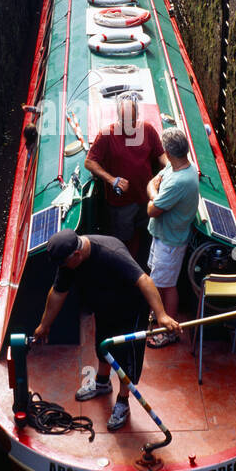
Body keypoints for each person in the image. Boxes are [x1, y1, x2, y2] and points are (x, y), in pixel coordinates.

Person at [32, 229, 180, 431]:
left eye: (64, 264)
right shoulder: (68, 261)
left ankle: (122, 401)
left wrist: (161, 315)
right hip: (104, 306)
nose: (63, 269)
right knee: (102, 344)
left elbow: (145, 280)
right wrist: (44, 325)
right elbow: (58, 292)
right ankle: (102, 383)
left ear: (76, 255)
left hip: (130, 309)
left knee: (126, 358)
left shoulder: (110, 252)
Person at [84, 93, 166, 256]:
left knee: (147, 230)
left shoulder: (148, 130)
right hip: (121, 203)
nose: (129, 126)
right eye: (124, 121)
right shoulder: (106, 134)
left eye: (132, 121)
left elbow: (161, 155)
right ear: (118, 117)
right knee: (123, 238)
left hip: (146, 197)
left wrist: (172, 167)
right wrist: (112, 180)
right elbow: (89, 162)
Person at [145, 128, 200, 347]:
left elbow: (151, 208)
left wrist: (154, 195)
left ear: (168, 152)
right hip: (163, 237)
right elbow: (153, 183)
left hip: (169, 242)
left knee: (166, 285)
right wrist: (155, 194)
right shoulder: (177, 166)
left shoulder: (179, 181)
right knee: (161, 282)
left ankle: (168, 331)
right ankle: (158, 318)